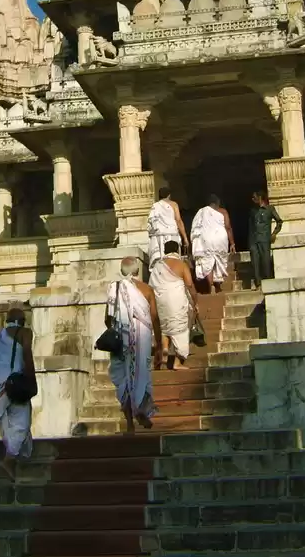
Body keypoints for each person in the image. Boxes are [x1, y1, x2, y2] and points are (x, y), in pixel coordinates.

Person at [105, 256, 163, 434]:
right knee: (140, 376)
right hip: (141, 337)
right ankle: (140, 409)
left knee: (123, 378)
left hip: (120, 337)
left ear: (122, 271)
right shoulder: (147, 290)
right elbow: (154, 318)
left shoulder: (114, 289)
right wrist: (160, 343)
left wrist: (120, 329)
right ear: (138, 271)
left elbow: (107, 318)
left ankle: (130, 423)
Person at [0, 306, 35, 479]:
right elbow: (27, 355)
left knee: (7, 417)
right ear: (22, 321)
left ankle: (11, 457)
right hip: (14, 382)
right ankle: (9, 459)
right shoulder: (24, 333)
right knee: (22, 419)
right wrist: (32, 382)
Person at [149, 239, 198, 369]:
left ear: (164, 251)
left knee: (165, 326)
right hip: (176, 301)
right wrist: (195, 300)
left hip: (160, 301)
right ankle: (177, 361)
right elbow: (190, 285)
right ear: (177, 250)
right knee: (180, 329)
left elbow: (151, 286)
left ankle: (165, 351)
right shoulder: (181, 264)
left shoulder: (157, 266)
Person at [190, 194, 236, 293]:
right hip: (220, 239)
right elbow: (228, 227)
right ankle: (218, 284)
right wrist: (232, 243)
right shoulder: (223, 211)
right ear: (217, 203)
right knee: (219, 261)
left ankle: (211, 285)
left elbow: (196, 228)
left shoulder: (201, 212)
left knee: (208, 262)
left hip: (206, 240)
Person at [248, 190, 282, 289]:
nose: (253, 199)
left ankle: (268, 282)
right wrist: (250, 242)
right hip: (254, 240)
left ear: (259, 198)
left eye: (254, 197)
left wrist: (274, 233)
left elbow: (279, 222)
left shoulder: (270, 209)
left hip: (265, 239)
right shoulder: (253, 211)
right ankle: (258, 283)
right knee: (255, 261)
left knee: (265, 260)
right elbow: (250, 227)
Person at [147, 186, 188, 268]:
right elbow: (178, 220)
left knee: (161, 261)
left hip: (159, 237)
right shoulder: (173, 204)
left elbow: (151, 223)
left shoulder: (155, 206)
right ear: (169, 195)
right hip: (172, 236)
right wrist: (185, 238)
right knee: (173, 259)